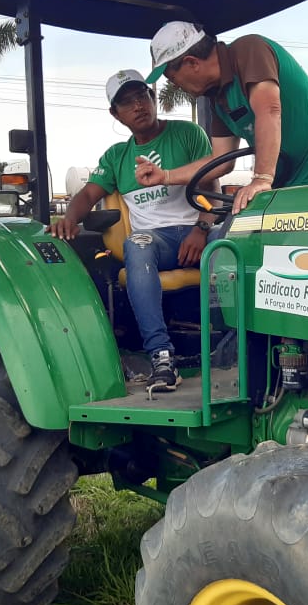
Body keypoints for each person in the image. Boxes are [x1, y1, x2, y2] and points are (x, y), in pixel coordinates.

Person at [47, 69, 215, 392]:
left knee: (249, 239)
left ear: (152, 98)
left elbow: (213, 188)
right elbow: (86, 195)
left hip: (199, 231)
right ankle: (162, 357)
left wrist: (203, 229)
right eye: (127, 102)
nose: (138, 105)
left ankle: (252, 348)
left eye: (142, 96)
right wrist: (70, 218)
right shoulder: (116, 157)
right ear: (116, 114)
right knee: (136, 245)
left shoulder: (188, 135)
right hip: (157, 242)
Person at [135, 21, 308, 215]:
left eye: (172, 77)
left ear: (192, 63)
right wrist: (164, 176)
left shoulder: (249, 50)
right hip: (287, 186)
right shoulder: (218, 97)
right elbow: (221, 160)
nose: (173, 85)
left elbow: (269, 110)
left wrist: (261, 178)